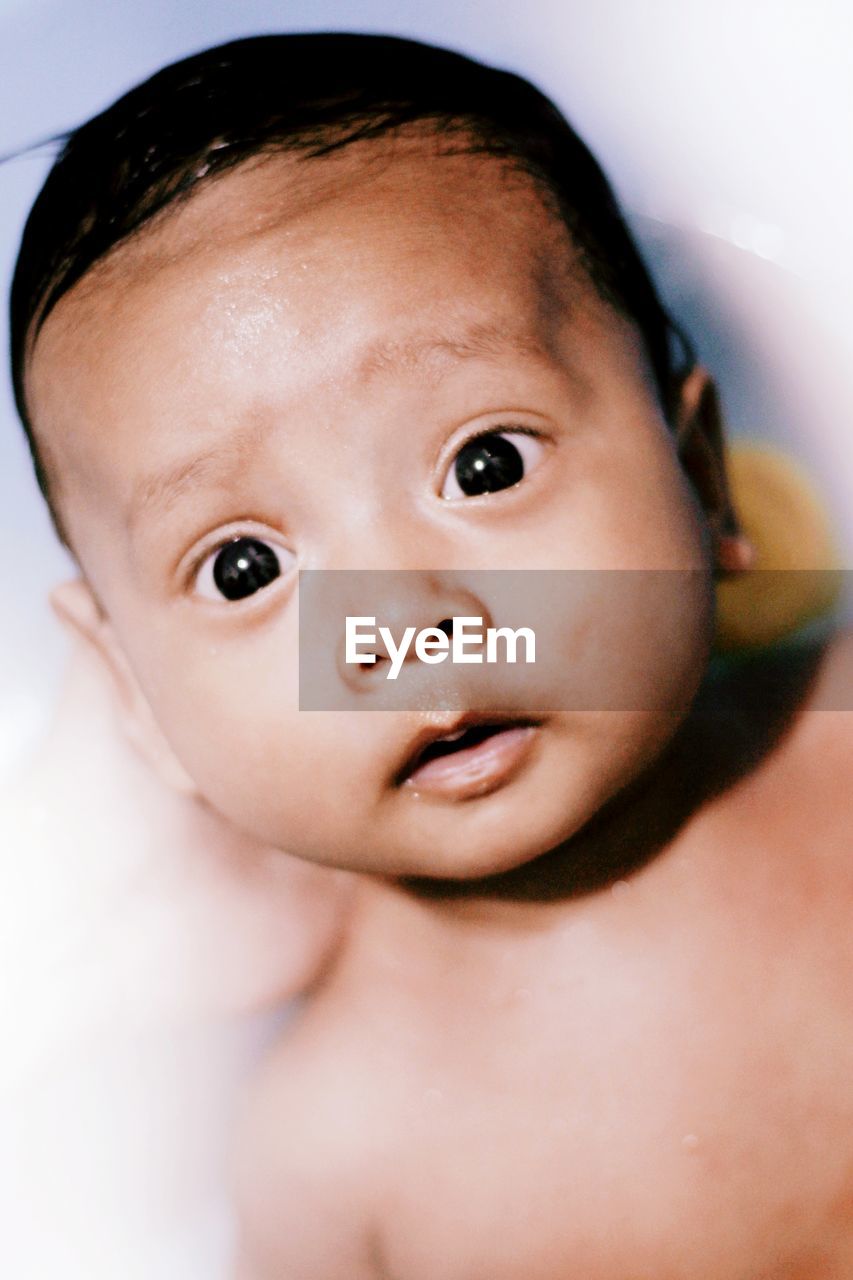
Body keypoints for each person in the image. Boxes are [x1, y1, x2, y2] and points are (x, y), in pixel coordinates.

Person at [10, 31, 852, 1278]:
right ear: (130, 684)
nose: (402, 623)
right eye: (244, 566)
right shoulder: (332, 1154)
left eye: (485, 464)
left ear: (700, 471)